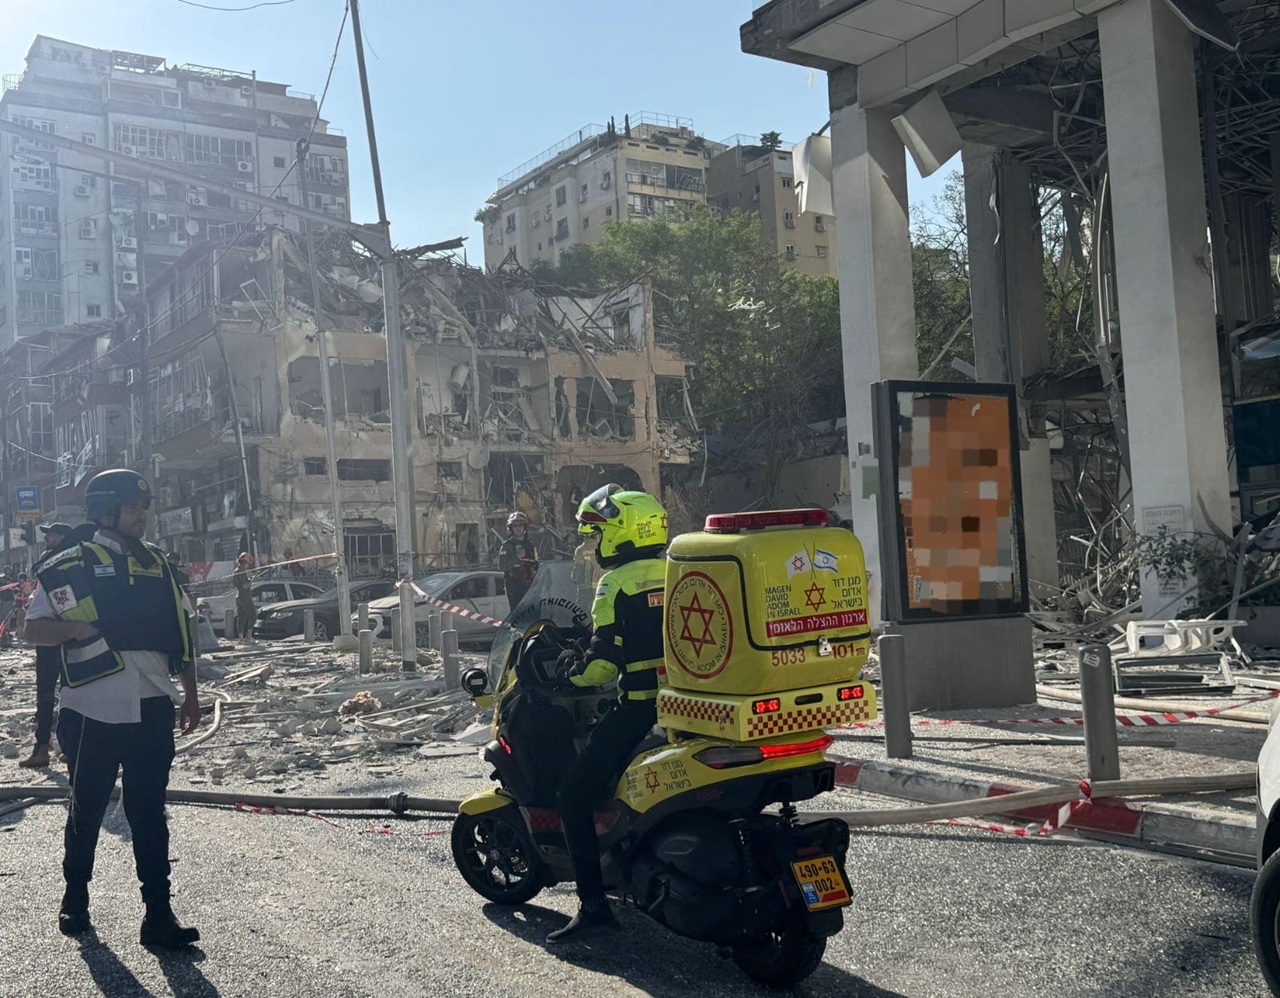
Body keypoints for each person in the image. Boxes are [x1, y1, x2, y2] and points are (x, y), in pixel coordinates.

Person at [24, 468, 200, 947]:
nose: (141, 516)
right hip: (91, 709)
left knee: (149, 812)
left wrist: (190, 693)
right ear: (106, 510)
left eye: (144, 508)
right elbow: (32, 629)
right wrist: (75, 629)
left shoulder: (158, 564)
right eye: (132, 508)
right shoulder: (70, 565)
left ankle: (158, 915)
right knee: (86, 808)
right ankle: (75, 897)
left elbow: (181, 631)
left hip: (152, 704)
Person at [547, 485, 668, 944]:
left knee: (573, 797)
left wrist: (570, 672)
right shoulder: (678, 571)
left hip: (638, 711)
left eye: (598, 534)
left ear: (622, 532)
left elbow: (601, 666)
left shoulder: (614, 584)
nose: (595, 543)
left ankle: (594, 908)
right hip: (685, 708)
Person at [17, 523, 78, 769]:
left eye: (51, 535)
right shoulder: (49, 563)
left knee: (67, 693)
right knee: (49, 693)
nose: (47, 538)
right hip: (51, 636)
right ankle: (45, 746)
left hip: (62, 635)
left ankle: (65, 746)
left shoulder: (63, 565)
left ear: (62, 537)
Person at [498, 512, 539, 609]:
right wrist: (516, 558)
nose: (518, 528)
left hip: (530, 587)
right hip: (515, 588)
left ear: (525, 527)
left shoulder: (530, 545)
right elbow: (502, 566)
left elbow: (536, 564)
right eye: (515, 525)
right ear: (511, 528)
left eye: (521, 525)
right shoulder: (507, 546)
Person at [233, 552, 257, 644]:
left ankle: (241, 639)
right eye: (247, 564)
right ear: (244, 563)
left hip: (239, 597)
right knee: (253, 615)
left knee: (242, 617)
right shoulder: (240, 572)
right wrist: (253, 580)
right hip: (244, 596)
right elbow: (244, 586)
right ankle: (248, 637)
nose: (248, 566)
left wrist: (250, 579)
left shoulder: (238, 571)